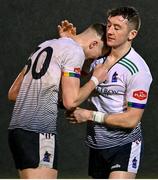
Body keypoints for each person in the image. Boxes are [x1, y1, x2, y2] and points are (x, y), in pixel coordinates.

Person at [59, 6, 152, 179]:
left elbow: (131, 119)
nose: (109, 31)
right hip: (97, 145)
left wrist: (88, 115)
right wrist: (69, 42)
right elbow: (70, 83)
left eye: (117, 28)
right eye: (109, 25)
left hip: (124, 144)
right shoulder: (96, 57)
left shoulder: (138, 70)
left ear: (131, 35)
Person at [8, 23, 109, 179]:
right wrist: (95, 80)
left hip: (17, 131)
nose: (96, 59)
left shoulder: (45, 45)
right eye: (100, 54)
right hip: (38, 131)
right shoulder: (74, 51)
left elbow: (14, 93)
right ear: (94, 44)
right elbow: (71, 101)